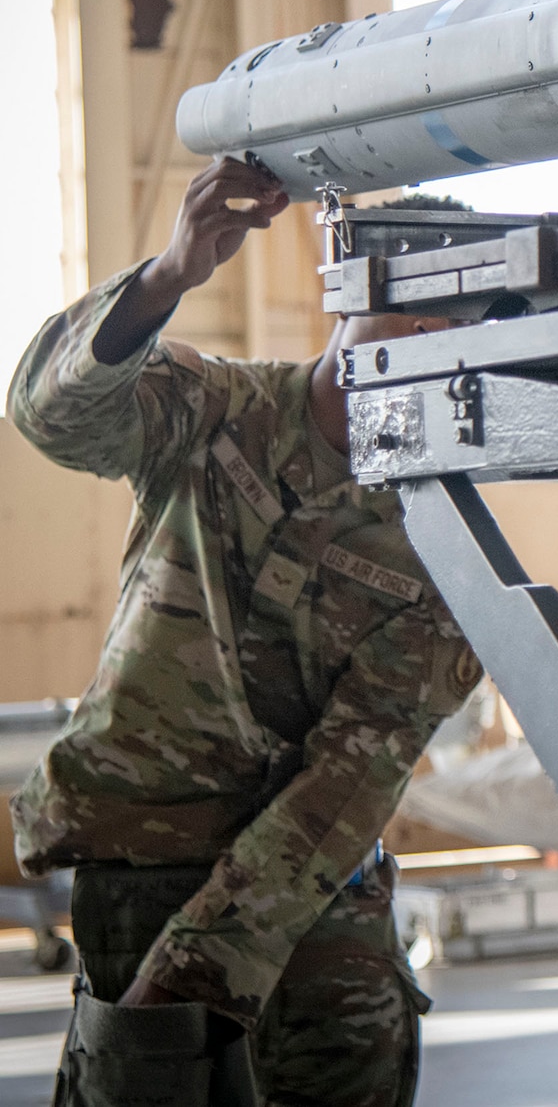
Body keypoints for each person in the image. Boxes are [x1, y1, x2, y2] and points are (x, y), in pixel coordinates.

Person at [9, 156, 483, 1106]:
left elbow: (346, 784)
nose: (428, 333)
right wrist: (167, 276)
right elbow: (50, 416)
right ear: (348, 290)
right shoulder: (212, 408)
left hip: (311, 918)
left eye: (460, 322)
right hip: (138, 869)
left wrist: (199, 966)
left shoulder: (447, 545)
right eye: (412, 300)